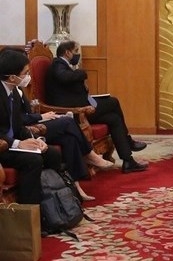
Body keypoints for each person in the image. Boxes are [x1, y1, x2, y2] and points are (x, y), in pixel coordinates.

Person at [45, 41, 148, 173]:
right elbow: (64, 77)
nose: (78, 55)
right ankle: (128, 141)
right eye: (76, 52)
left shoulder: (65, 65)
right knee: (113, 102)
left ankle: (128, 161)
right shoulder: (57, 64)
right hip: (73, 111)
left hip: (82, 104)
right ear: (67, 52)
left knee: (114, 118)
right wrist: (82, 73)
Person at [0, 49, 62, 204]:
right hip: (2, 146)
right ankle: (30, 211)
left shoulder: (14, 92)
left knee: (51, 153)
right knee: (32, 160)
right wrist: (18, 143)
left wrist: (36, 140)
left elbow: (19, 126)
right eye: (25, 73)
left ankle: (53, 204)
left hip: (13, 144)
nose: (28, 76)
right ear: (12, 77)